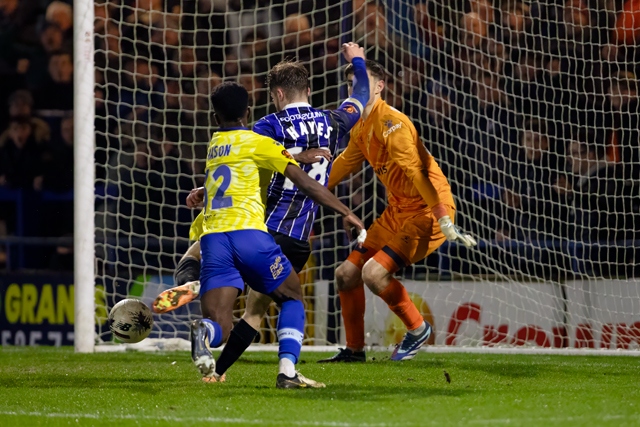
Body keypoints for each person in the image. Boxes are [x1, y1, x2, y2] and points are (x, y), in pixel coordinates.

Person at [153, 42, 371, 380]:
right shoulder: (333, 122)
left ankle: (193, 282)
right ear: (309, 90)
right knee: (262, 308)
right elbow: (360, 95)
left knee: (202, 245)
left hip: (261, 226)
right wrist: (357, 60)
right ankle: (282, 369)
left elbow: (239, 156)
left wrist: (203, 189)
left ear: (278, 94)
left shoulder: (265, 127)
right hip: (298, 235)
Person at [318, 60, 476, 363]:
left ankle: (418, 329)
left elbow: (417, 174)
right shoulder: (361, 127)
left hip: (426, 211)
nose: (355, 89)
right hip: (397, 211)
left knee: (373, 274)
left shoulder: (392, 123)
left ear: (379, 86)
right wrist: (302, 187)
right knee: (345, 274)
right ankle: (354, 351)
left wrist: (442, 215)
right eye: (351, 84)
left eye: (362, 82)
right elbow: (340, 167)